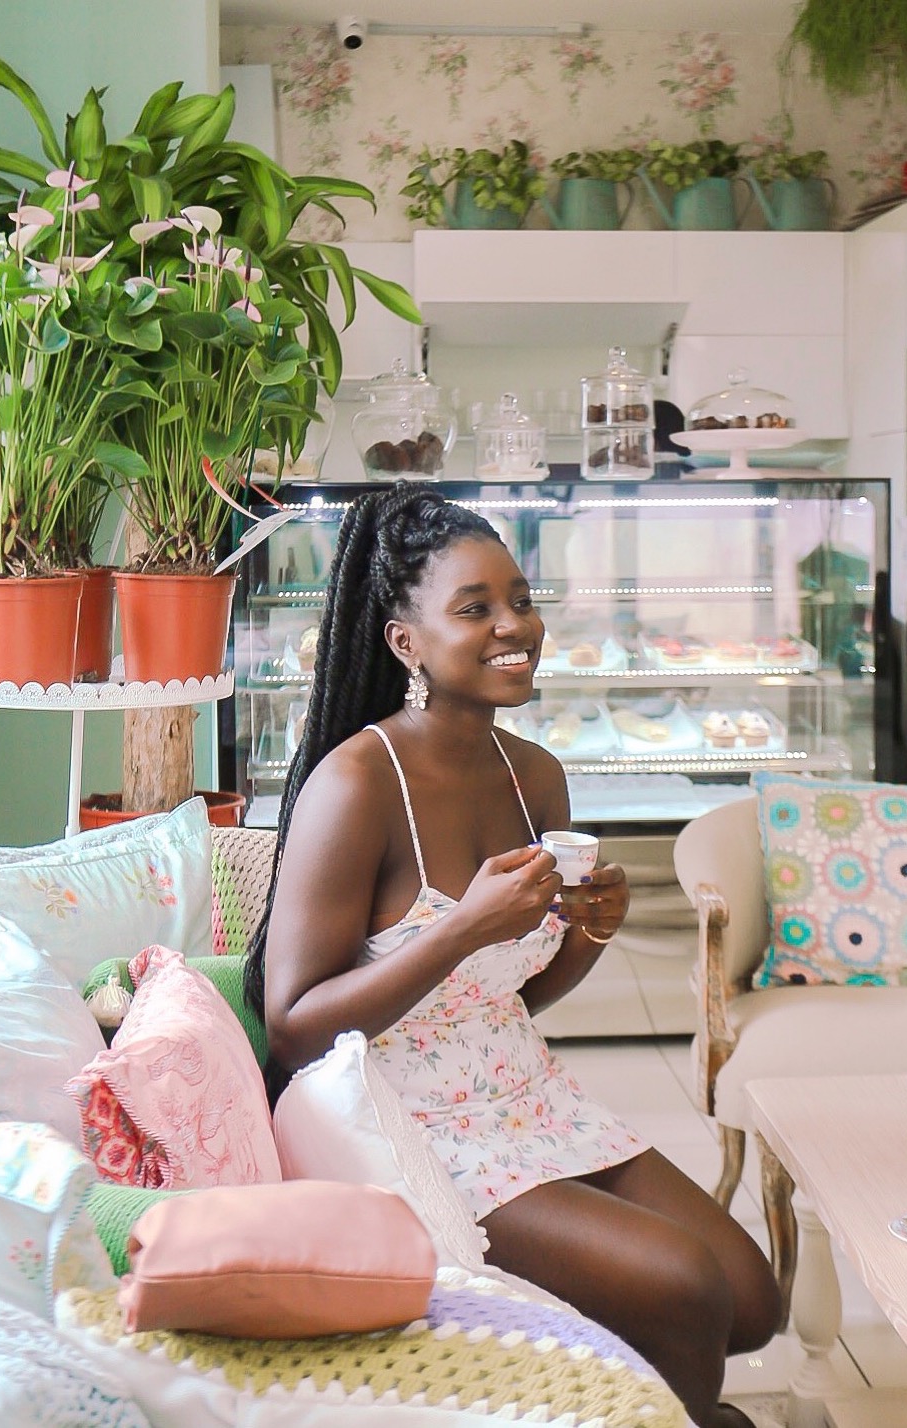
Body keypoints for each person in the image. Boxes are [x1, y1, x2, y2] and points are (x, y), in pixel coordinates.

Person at [244, 482, 780, 1428]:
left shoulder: (532, 770)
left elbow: (516, 1000)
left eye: (521, 601)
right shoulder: (359, 781)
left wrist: (590, 928)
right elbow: (292, 1028)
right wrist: (463, 927)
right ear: (405, 643)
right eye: (475, 608)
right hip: (409, 1122)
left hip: (525, 1097)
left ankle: (619, 1391)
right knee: (687, 1290)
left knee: (749, 1299)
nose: (514, 626)